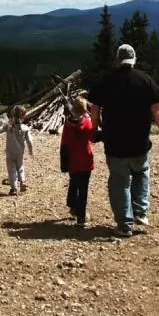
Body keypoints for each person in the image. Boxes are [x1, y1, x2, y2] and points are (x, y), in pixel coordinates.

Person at [88, 43, 159, 237]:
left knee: (119, 182)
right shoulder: (145, 80)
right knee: (141, 173)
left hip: (114, 143)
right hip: (139, 142)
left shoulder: (105, 80)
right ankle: (141, 212)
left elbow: (94, 108)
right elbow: (156, 108)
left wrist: (93, 129)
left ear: (118, 60)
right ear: (133, 60)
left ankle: (124, 224)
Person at [60, 95, 95, 229]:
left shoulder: (67, 125)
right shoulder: (87, 122)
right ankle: (81, 217)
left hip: (72, 161)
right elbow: (92, 137)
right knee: (83, 189)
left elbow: (64, 144)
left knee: (74, 184)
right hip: (85, 161)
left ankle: (73, 207)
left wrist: (64, 163)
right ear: (85, 110)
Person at [0, 105, 34, 195]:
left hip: (10, 152)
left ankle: (14, 189)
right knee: (20, 167)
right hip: (20, 153)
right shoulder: (25, 128)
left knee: (12, 171)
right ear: (24, 116)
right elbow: (30, 141)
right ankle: (23, 181)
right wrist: (30, 151)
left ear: (12, 115)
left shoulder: (7, 126)